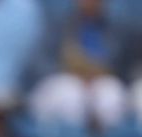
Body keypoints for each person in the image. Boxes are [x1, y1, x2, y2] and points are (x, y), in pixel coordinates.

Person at [27, 0, 142, 129]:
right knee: (71, 95)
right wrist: (77, 77)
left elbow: (126, 69)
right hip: (61, 80)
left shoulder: (117, 28)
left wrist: (97, 78)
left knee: (110, 95)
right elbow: (41, 63)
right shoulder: (58, 21)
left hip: (99, 81)